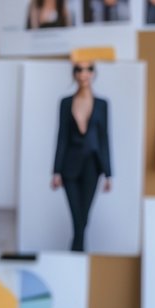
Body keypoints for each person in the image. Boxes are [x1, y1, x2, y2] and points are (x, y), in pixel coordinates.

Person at [51, 61, 112, 252]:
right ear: (74, 74)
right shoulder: (65, 102)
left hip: (92, 165)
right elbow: (61, 136)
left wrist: (109, 173)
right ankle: (78, 257)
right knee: (76, 216)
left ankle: (75, 256)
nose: (83, 74)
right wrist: (56, 171)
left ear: (94, 73)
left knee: (83, 217)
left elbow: (104, 138)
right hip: (70, 165)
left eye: (88, 69)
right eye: (79, 69)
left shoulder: (102, 104)